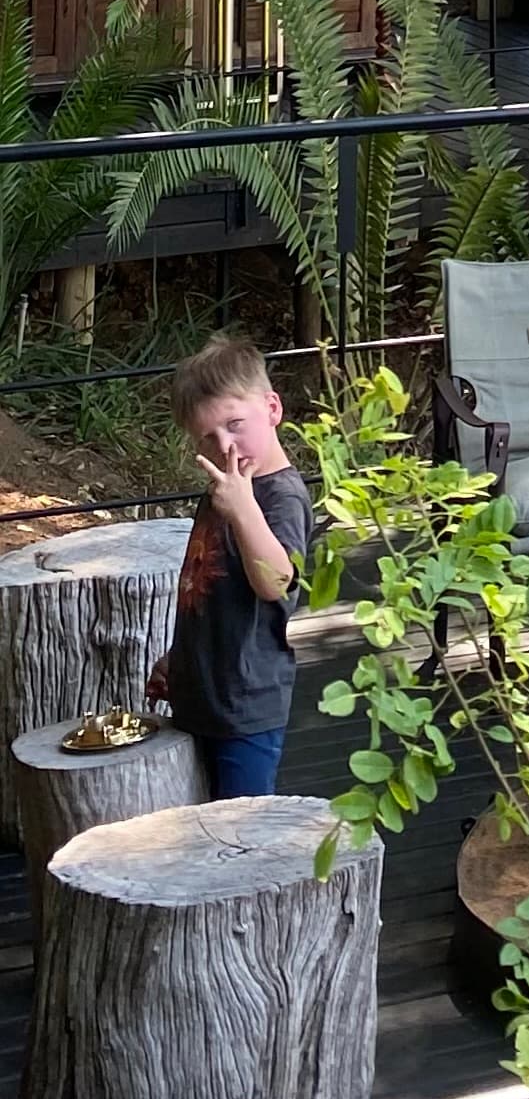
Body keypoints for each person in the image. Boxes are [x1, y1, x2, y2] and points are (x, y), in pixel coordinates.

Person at [149, 332, 311, 798]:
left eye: (236, 425)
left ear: (272, 409)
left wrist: (243, 509)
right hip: (200, 695)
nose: (226, 446)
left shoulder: (281, 497)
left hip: (245, 709)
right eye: (208, 437)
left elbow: (276, 584)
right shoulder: (226, 488)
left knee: (239, 834)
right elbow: (209, 589)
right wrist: (180, 662)